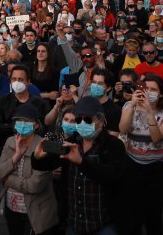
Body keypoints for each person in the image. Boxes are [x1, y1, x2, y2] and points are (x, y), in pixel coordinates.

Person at [32, 96, 127, 235]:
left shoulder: (113, 145)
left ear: (100, 122)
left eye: (87, 120)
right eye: (78, 120)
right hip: (74, 222)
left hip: (104, 222)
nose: (82, 123)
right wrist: (37, 157)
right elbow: (46, 164)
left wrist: (82, 162)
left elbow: (114, 174)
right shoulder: (70, 142)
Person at [118, 73, 163, 234]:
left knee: (153, 216)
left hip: (157, 169)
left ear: (161, 93)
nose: (148, 92)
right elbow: (123, 129)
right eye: (145, 88)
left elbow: (156, 138)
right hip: (133, 165)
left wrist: (150, 112)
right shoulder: (128, 106)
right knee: (134, 214)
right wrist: (132, 105)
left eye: (153, 89)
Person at [0, 104, 58, 235]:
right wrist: (16, 156)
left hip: (36, 212)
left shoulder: (44, 146)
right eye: (19, 120)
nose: (22, 124)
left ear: (36, 125)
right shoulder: (10, 142)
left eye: (27, 121)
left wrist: (8, 181)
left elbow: (35, 185)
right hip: (11, 209)